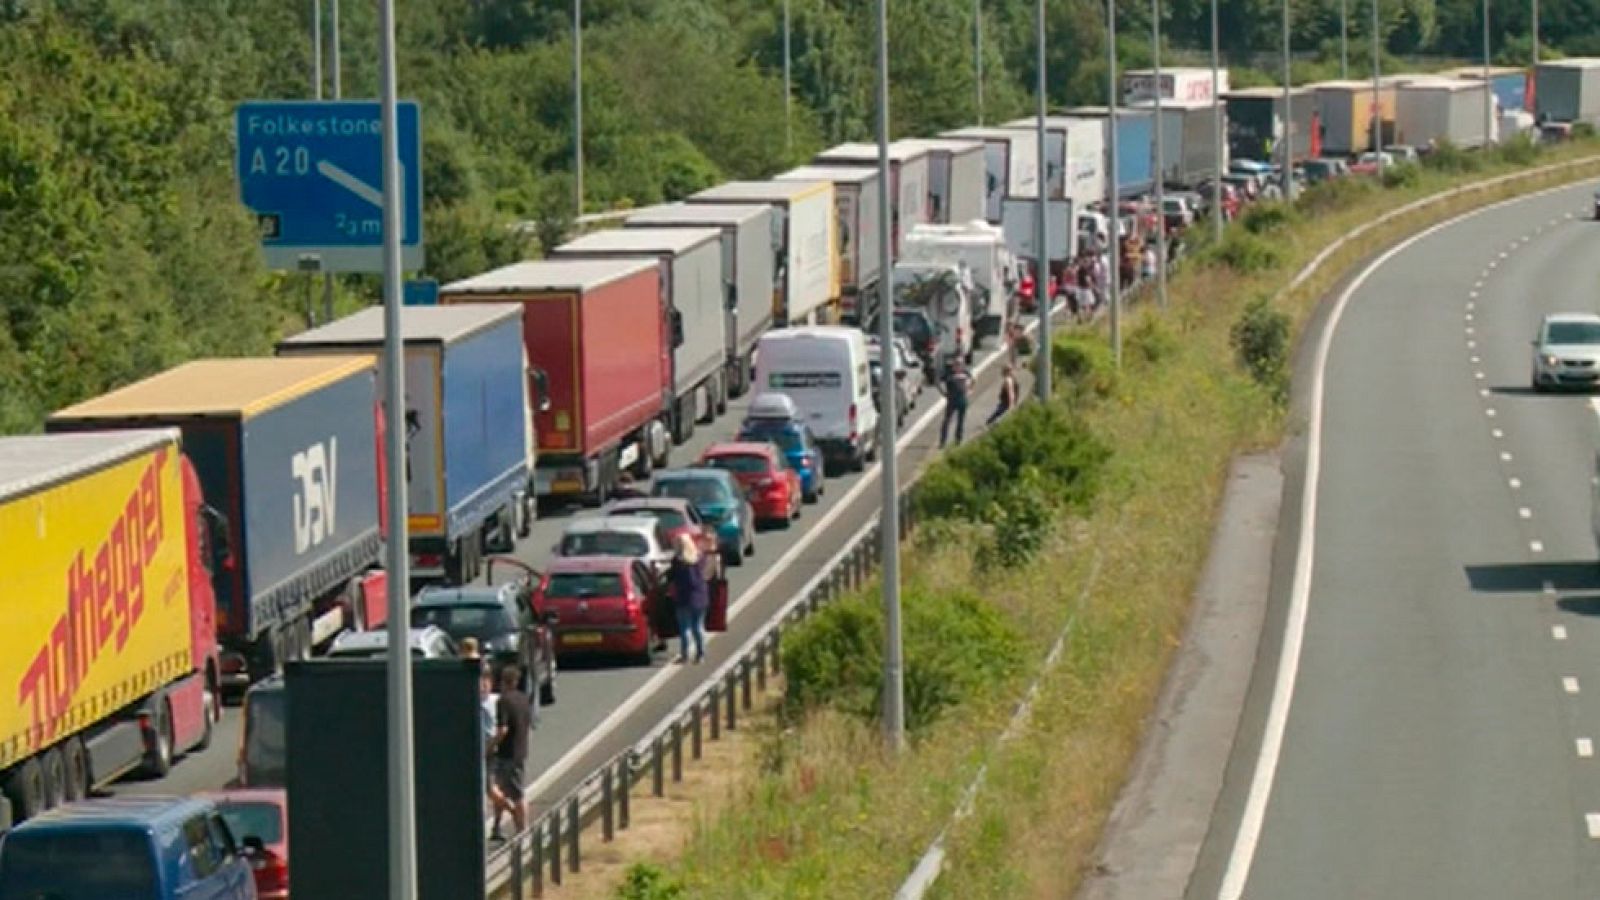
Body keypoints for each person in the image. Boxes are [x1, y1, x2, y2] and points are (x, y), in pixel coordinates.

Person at [489, 664, 531, 841]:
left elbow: (502, 729)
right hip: (520, 749)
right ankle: (497, 827)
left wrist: (489, 746)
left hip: (508, 753)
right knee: (501, 790)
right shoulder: (524, 699)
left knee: (516, 792)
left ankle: (523, 829)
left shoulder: (503, 701)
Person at [669, 533, 708, 665]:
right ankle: (701, 654)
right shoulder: (699, 558)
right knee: (698, 627)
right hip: (700, 597)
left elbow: (672, 578)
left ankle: (685, 655)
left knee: (685, 628)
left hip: (683, 598)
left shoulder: (678, 562)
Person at [939, 359, 972, 449]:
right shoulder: (948, 374)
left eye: (960, 364)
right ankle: (943, 441)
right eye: (956, 364)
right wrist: (943, 393)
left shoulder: (966, 373)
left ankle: (958, 440)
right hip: (952, 401)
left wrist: (969, 390)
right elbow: (939, 382)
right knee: (947, 421)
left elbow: (972, 380)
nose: (958, 366)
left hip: (962, 400)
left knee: (960, 421)